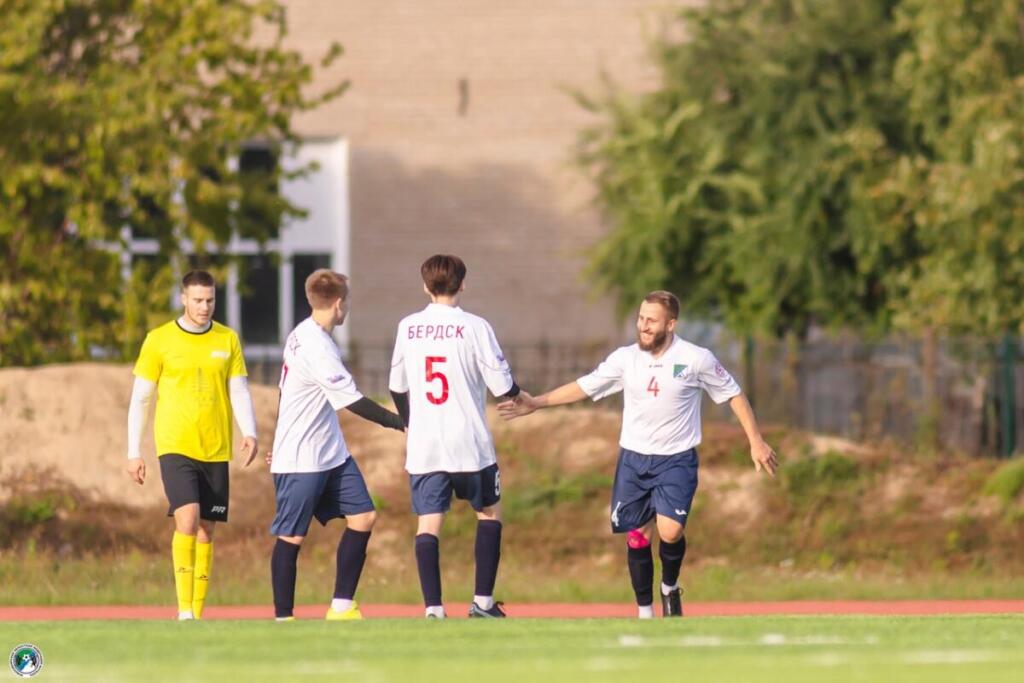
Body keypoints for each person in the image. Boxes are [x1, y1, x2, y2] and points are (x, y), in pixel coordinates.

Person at [498, 290, 777, 618]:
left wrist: (755, 440)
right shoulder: (625, 358)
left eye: (652, 320)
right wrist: (537, 403)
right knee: (636, 536)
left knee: (670, 531)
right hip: (634, 459)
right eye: (641, 318)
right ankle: (645, 612)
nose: (643, 326)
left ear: (671, 324)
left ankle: (669, 587)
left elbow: (733, 394)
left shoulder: (696, 358)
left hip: (676, 459)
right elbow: (585, 386)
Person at [388, 254, 522, 619]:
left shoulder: (408, 326)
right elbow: (501, 384)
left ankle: (433, 608)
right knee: (489, 513)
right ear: (463, 284)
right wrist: (520, 396)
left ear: (425, 286)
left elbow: (396, 386)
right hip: (470, 443)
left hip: (426, 444)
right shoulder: (475, 326)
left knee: (428, 522)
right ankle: (482, 603)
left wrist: (410, 422)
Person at [268, 269, 405, 621]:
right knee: (291, 536)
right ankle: (283, 619)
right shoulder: (315, 345)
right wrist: (399, 422)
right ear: (339, 304)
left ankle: (341, 607)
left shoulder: (306, 333)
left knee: (363, 516)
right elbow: (351, 401)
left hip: (331, 453)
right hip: (301, 457)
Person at [126, 269, 259, 621]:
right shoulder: (159, 339)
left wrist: (250, 431)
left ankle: (198, 614)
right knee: (186, 518)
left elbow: (239, 388)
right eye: (198, 300)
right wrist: (133, 451)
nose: (204, 306)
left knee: (206, 528)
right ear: (184, 299)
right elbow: (141, 397)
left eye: (210, 300)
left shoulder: (227, 339)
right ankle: (184, 610)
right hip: (175, 443)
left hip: (215, 446)